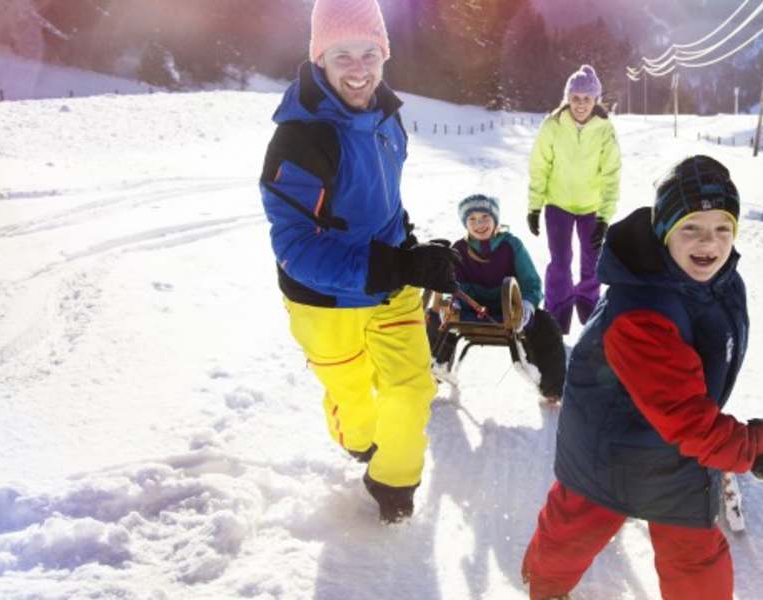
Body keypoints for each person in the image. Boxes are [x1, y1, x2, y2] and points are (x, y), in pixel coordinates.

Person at [520, 156, 763, 599]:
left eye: (722, 228)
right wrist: (758, 451)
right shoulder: (641, 314)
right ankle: (543, 587)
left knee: (696, 560)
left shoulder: (719, 280)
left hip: (678, 452)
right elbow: (690, 421)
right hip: (609, 450)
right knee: (572, 533)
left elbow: (689, 405)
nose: (709, 243)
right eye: (691, 227)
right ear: (663, 230)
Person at [258, 0, 458, 524]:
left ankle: (393, 484)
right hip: (325, 302)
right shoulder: (302, 138)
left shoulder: (389, 119)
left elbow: (386, 202)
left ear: (384, 55)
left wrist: (413, 252)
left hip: (391, 291)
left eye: (369, 52)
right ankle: (357, 438)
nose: (358, 68)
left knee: (412, 390)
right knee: (357, 407)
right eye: (342, 53)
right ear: (319, 57)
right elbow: (295, 246)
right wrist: (386, 267)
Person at [426, 194, 568, 403]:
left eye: (485, 217)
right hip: (470, 309)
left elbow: (531, 282)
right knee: (434, 317)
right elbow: (453, 284)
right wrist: (452, 302)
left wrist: (527, 306)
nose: (479, 224)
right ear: (465, 223)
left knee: (546, 324)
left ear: (495, 219)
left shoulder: (511, 245)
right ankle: (433, 370)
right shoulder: (460, 249)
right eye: (472, 219)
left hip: (510, 307)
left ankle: (552, 387)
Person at [526, 64, 622, 334]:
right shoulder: (553, 125)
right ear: (567, 98)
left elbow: (611, 174)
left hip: (591, 207)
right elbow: (539, 166)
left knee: (591, 262)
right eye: (576, 98)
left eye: (587, 99)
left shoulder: (604, 129)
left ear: (596, 100)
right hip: (558, 205)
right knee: (560, 261)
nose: (580, 104)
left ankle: (588, 304)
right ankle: (557, 311)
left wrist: (604, 217)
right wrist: (534, 207)